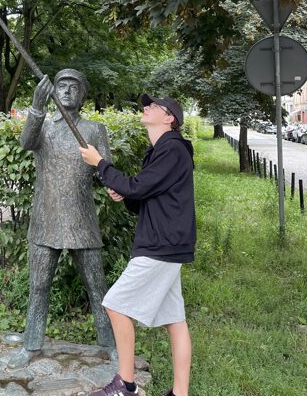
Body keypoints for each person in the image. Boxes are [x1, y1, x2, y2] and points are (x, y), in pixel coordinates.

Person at [79, 95, 196, 396]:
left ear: (169, 118)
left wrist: (100, 164)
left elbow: (139, 186)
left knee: (115, 304)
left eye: (153, 106)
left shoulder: (172, 149)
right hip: (169, 243)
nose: (146, 107)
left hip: (161, 245)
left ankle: (125, 385)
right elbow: (143, 196)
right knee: (174, 320)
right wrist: (125, 194)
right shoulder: (160, 151)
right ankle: (180, 393)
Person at [8, 70, 116, 369]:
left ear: (83, 96)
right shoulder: (43, 126)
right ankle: (31, 345)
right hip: (46, 218)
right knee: (39, 286)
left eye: (73, 87)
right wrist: (36, 106)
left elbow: (105, 169)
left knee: (97, 286)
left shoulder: (94, 130)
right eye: (61, 86)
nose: (67, 91)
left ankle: (110, 343)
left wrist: (107, 176)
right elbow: (26, 143)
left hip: (82, 220)